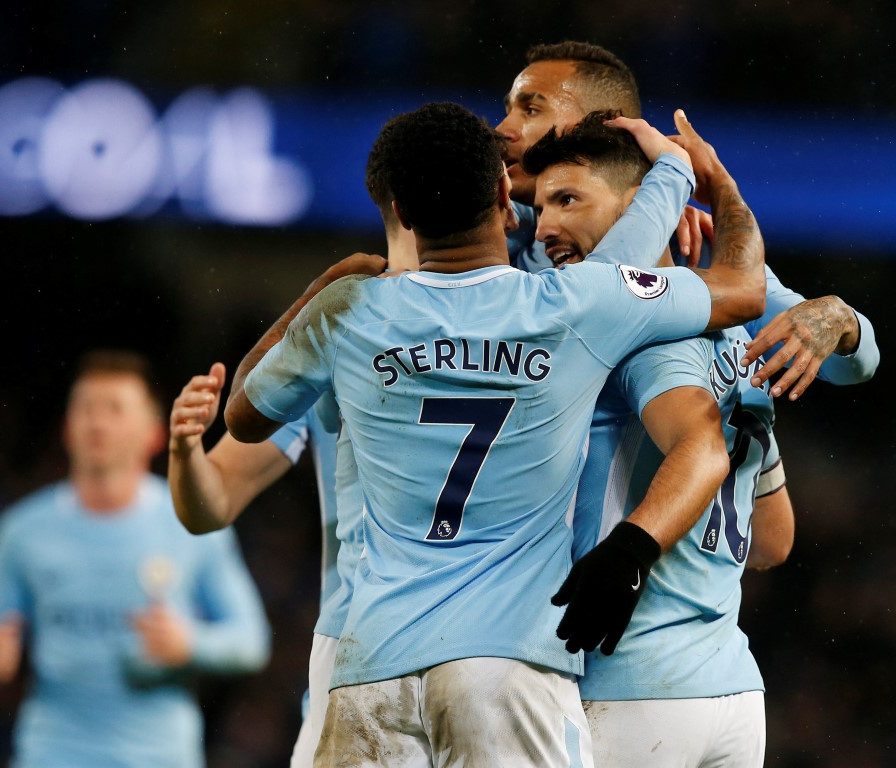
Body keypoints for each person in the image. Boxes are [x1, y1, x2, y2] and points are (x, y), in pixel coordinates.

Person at [224, 100, 766, 766]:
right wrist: (712, 187)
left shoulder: (350, 311)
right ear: (506, 194)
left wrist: (319, 292)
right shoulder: (575, 303)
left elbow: (244, 417)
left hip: (373, 664)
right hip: (509, 667)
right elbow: (742, 289)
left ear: (403, 212)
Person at [523, 110, 800, 766]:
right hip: (730, 688)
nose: (546, 228)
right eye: (539, 208)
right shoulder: (738, 338)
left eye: (568, 201)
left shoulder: (633, 332)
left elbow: (698, 445)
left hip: (626, 681)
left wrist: (630, 550)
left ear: (646, 205)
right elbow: (773, 538)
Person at [168, 141, 420, 768]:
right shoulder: (339, 339)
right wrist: (184, 451)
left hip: (458, 667)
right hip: (367, 669)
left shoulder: (529, 311)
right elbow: (212, 501)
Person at [497, 40, 879, 400]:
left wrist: (837, 319)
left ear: (605, 124)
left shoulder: (686, 244)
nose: (503, 130)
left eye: (531, 109)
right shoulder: (483, 240)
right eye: (509, 108)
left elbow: (844, 365)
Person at [0, 349, 270, 768]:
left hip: (159, 757)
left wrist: (190, 643)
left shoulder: (191, 524)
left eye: (115, 409)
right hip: (51, 754)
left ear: (154, 433)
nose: (98, 422)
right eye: (86, 408)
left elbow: (250, 641)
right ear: (66, 428)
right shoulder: (22, 532)